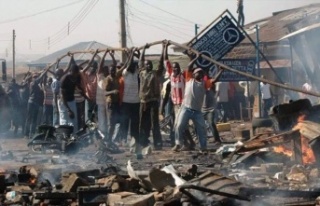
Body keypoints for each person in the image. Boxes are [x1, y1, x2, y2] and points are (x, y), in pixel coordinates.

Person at [173, 52, 224, 152]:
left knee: (202, 129)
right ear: (194, 74)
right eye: (198, 72)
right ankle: (178, 144)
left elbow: (214, 80)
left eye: (201, 73)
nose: (200, 74)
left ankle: (203, 147)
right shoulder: (189, 79)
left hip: (197, 111)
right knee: (179, 125)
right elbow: (189, 66)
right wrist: (196, 57)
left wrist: (221, 71)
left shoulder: (205, 83)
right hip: (186, 108)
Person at [161, 42, 196, 150]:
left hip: (183, 104)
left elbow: (190, 68)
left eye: (177, 67)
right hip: (175, 105)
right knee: (182, 126)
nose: (175, 69)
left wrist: (191, 58)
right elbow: (166, 61)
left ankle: (178, 144)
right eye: (174, 67)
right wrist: (165, 47)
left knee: (178, 125)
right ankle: (189, 143)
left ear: (179, 68)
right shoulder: (171, 75)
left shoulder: (183, 76)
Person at [139, 43, 164, 150]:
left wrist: (164, 48)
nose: (149, 65)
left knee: (155, 123)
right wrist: (143, 49)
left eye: (150, 64)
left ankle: (157, 143)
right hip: (143, 101)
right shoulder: (142, 72)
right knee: (142, 122)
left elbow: (161, 63)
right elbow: (140, 61)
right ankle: (143, 142)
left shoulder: (156, 74)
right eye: (147, 64)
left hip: (153, 100)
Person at [119, 48, 142, 155]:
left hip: (136, 102)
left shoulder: (136, 73)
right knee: (125, 122)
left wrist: (138, 54)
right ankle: (123, 140)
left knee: (135, 123)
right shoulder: (126, 73)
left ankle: (135, 140)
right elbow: (128, 65)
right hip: (126, 102)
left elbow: (141, 61)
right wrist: (131, 54)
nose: (133, 67)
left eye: (134, 66)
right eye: (132, 66)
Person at [59, 56, 87, 132]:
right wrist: (68, 109)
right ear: (70, 71)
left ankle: (74, 138)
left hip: (72, 100)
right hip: (63, 102)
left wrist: (86, 97)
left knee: (74, 121)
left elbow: (78, 87)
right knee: (64, 121)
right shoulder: (64, 79)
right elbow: (62, 96)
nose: (75, 75)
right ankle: (63, 137)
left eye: (77, 73)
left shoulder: (77, 77)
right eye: (74, 73)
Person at [24, 67, 51, 139]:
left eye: (36, 77)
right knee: (31, 118)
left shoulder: (31, 83)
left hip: (32, 102)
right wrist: (45, 71)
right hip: (33, 102)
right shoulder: (33, 82)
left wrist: (44, 72)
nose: (36, 78)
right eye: (35, 77)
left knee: (32, 118)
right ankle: (28, 133)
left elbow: (41, 78)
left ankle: (29, 133)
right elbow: (41, 77)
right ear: (33, 78)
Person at [95, 49, 110, 138]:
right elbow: (100, 66)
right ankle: (102, 135)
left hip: (108, 102)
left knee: (108, 120)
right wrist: (104, 55)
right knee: (102, 120)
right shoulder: (100, 77)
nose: (107, 71)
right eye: (105, 69)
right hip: (100, 102)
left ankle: (107, 135)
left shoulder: (109, 78)